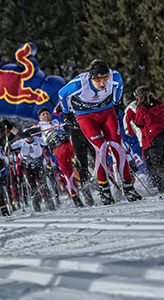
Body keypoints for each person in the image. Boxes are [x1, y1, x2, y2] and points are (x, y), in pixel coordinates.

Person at [58, 60, 142, 204]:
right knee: (101, 147)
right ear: (91, 78)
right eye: (98, 80)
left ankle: (128, 187)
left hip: (106, 112)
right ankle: (104, 189)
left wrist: (116, 103)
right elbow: (62, 94)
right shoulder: (80, 83)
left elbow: (119, 87)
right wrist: (67, 114)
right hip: (85, 116)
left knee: (117, 147)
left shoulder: (115, 77)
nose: (102, 83)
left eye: (105, 79)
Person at [31, 107, 94, 206]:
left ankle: (87, 191)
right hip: (58, 149)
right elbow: (24, 134)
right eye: (43, 115)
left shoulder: (57, 122)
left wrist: (67, 116)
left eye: (47, 113)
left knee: (77, 141)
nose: (46, 116)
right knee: (68, 175)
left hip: (69, 144)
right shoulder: (39, 126)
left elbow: (70, 127)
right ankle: (75, 198)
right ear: (40, 118)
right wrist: (11, 128)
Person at [11, 130, 55, 211]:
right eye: (27, 136)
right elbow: (17, 159)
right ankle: (36, 205)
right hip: (28, 168)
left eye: (30, 136)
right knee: (33, 187)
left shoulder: (37, 139)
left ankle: (50, 203)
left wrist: (49, 166)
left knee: (44, 184)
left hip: (39, 166)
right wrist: (18, 173)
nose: (29, 138)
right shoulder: (21, 142)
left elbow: (45, 144)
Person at [132, 86, 164, 192]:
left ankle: (161, 187)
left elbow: (139, 122)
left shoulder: (141, 108)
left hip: (151, 140)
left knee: (154, 166)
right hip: (162, 134)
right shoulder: (159, 103)